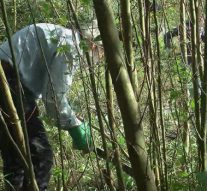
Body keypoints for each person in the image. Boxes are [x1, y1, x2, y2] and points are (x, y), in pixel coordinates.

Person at [0, 23, 93, 191]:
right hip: (8, 82)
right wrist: (75, 127)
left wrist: (71, 118)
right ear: (93, 44)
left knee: (16, 159)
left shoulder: (58, 34)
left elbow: (51, 95)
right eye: (100, 52)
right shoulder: (70, 44)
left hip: (9, 81)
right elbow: (54, 97)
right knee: (41, 157)